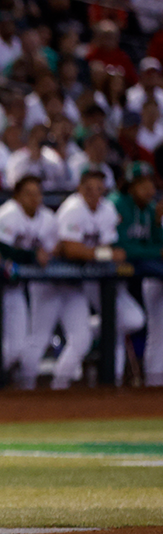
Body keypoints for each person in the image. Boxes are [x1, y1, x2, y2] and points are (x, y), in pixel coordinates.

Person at [48, 169, 145, 387]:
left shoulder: (107, 208)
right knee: (55, 337)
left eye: (99, 189)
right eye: (89, 188)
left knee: (129, 321)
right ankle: (58, 387)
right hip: (63, 281)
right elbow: (71, 250)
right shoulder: (72, 209)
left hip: (91, 278)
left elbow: (110, 246)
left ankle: (113, 384)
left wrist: (99, 253)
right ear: (79, 188)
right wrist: (103, 254)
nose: (94, 193)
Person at [0, 175, 54, 388]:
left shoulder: (46, 217)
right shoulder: (7, 214)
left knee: (17, 345)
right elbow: (0, 248)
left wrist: (46, 254)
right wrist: (32, 256)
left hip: (16, 287)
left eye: (38, 193)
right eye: (29, 193)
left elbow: (54, 248)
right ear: (17, 196)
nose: (34, 198)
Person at [109, 162, 163, 385]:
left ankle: (154, 381)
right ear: (130, 186)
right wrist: (153, 251)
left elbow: (155, 247)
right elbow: (122, 247)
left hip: (136, 277)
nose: (149, 190)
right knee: (132, 322)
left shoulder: (150, 209)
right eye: (142, 185)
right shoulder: (117, 205)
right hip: (108, 277)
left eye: (151, 184)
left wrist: (158, 223)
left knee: (154, 328)